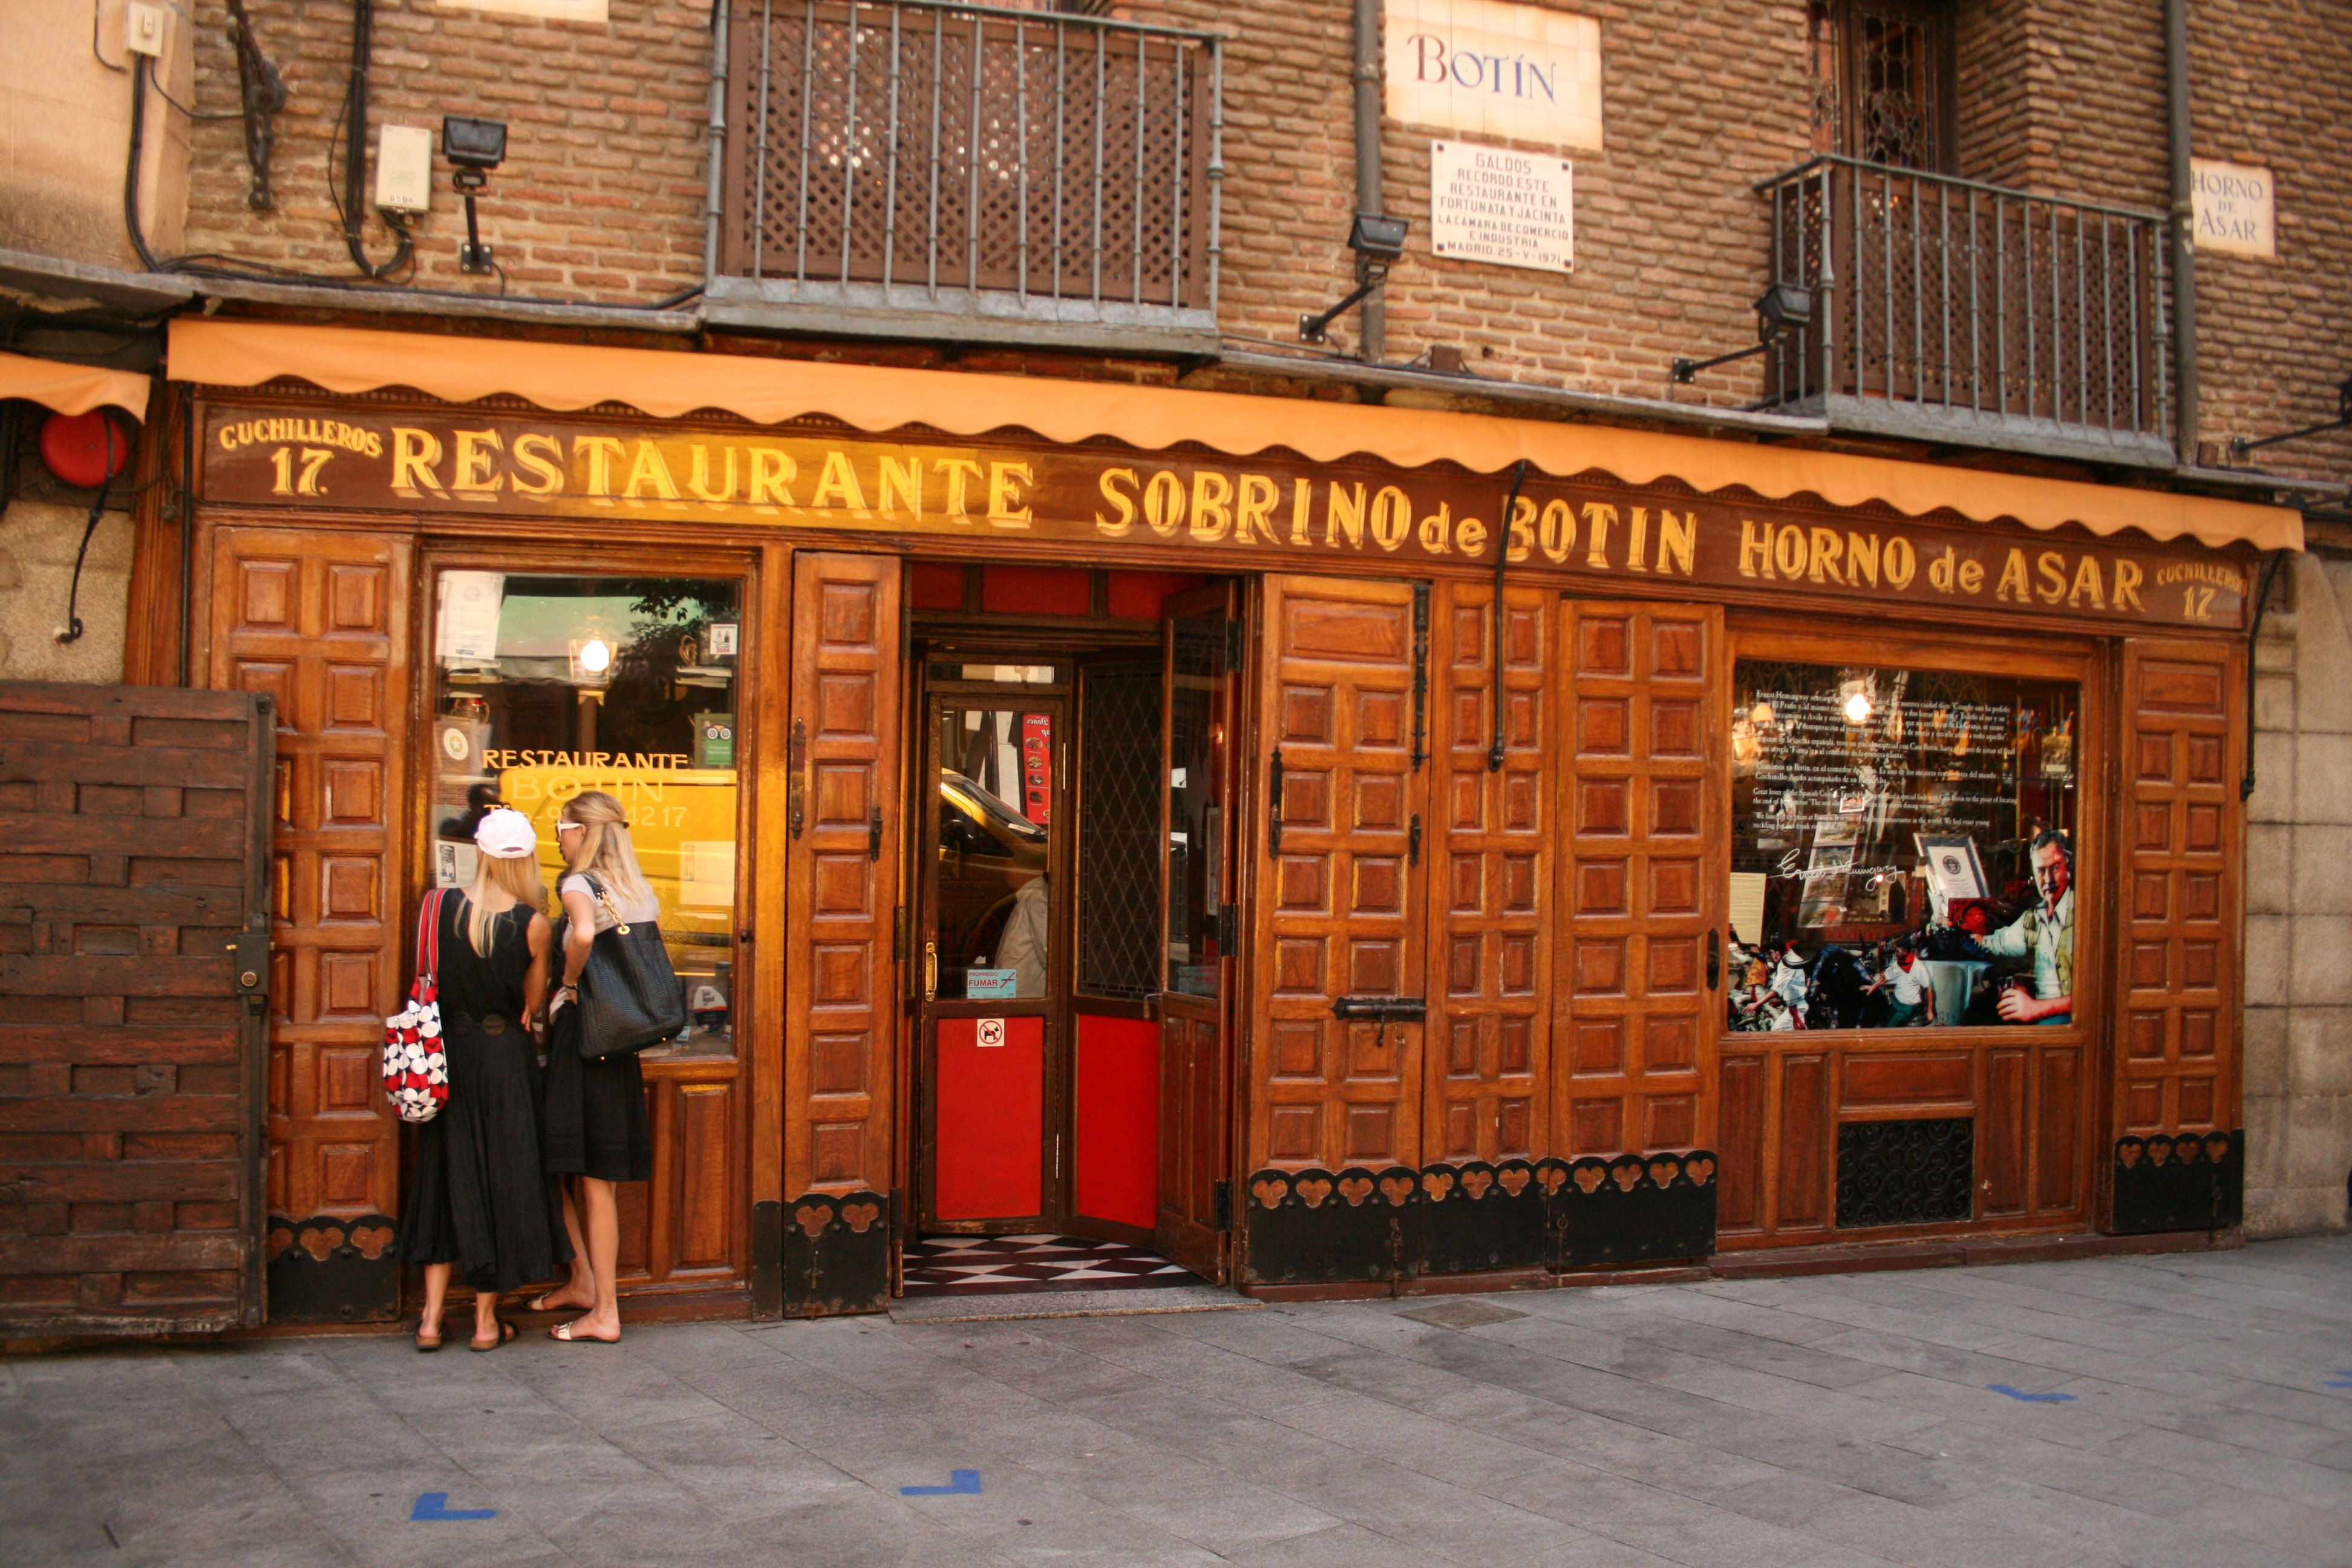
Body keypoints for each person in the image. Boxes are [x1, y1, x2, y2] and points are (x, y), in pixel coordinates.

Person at [400, 808, 570, 1351]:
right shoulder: (533, 923)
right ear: (525, 861)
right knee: (499, 1182)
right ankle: (483, 1324)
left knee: (445, 1181)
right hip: (504, 1062)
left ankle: (430, 1321)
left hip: (448, 1056)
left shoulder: (437, 906)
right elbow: (531, 1003)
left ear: (478, 851)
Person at [534, 789, 658, 1343]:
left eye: (561, 826)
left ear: (583, 831)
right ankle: (585, 1281)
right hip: (616, 1047)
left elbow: (582, 935)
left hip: (584, 1041)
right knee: (579, 1169)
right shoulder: (634, 888)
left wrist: (564, 984)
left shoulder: (578, 885)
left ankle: (604, 1310)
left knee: (590, 1177)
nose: (557, 836)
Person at [1982, 829, 2074, 1025]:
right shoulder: (2033, 918)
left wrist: (2035, 1008)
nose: (2048, 880)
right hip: (2040, 1016)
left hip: (2070, 1022)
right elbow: (1998, 944)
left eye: (2055, 868)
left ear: (2070, 867)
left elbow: (2099, 995)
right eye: (2041, 871)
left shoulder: (2085, 917)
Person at [1866, 939, 1937, 1027]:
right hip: (1896, 1002)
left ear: (1905, 952)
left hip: (1908, 1006)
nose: (1896, 953)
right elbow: (1886, 977)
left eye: (1898, 951)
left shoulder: (1919, 968)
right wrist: (1874, 986)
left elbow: (1929, 989)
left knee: (1891, 1027)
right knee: (1888, 1022)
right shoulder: (1898, 964)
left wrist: (1930, 1011)